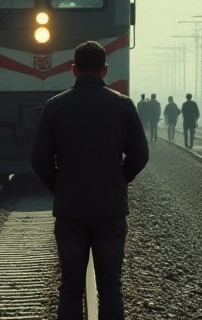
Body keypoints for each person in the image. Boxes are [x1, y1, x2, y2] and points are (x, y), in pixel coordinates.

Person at [31, 41, 149, 320]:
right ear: (105, 70)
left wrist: (60, 186)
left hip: (70, 209)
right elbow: (140, 155)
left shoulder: (54, 107)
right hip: (110, 208)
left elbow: (39, 160)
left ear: (73, 69)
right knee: (111, 286)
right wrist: (119, 180)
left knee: (70, 287)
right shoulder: (123, 105)